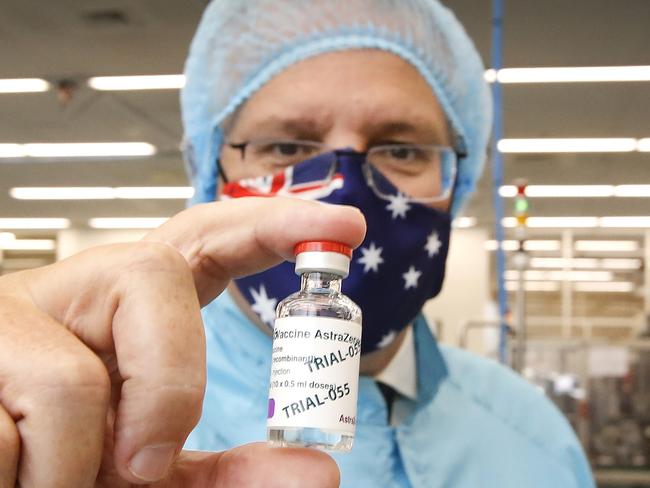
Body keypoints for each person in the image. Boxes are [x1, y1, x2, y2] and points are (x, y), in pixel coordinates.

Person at [0, 1, 594, 488]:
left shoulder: (534, 437)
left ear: (458, 184)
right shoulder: (99, 422)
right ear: (210, 172)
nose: (345, 195)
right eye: (285, 148)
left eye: (403, 149)